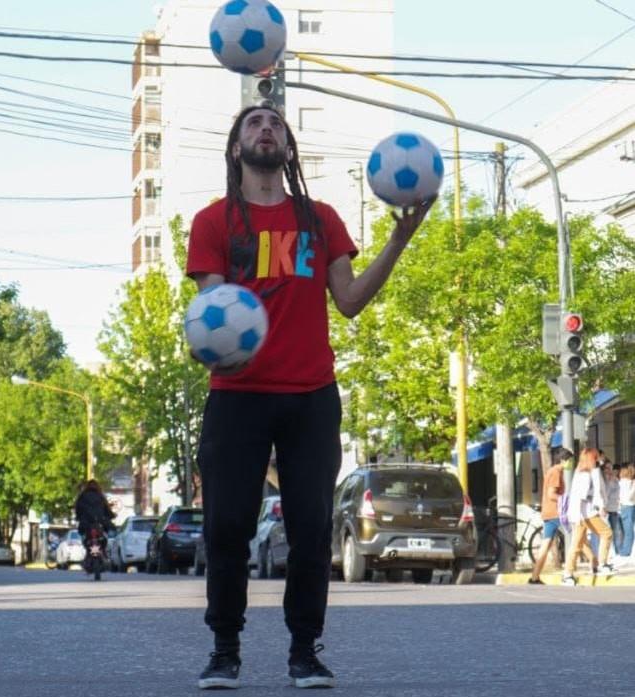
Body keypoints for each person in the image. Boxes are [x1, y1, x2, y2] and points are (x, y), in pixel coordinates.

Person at [186, 105, 434, 690]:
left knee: (310, 527)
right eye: (252, 124)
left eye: (275, 124)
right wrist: (218, 348)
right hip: (237, 394)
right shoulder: (213, 222)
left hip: (310, 395)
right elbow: (211, 308)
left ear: (290, 149)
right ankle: (225, 649)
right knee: (226, 528)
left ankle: (305, 651)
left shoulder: (321, 219)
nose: (265, 129)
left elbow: (348, 300)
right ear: (235, 148)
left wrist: (398, 240)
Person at [562, 447, 616, 586]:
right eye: (596, 457)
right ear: (592, 458)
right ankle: (602, 564)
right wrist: (600, 507)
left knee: (578, 544)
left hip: (581, 514)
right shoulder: (585, 474)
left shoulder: (583, 471)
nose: (598, 459)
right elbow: (584, 496)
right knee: (607, 533)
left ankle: (570, 574)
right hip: (584, 514)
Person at [528, 448, 572, 584]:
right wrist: (565, 499)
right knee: (578, 536)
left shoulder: (554, 471)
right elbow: (551, 494)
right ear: (563, 460)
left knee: (545, 545)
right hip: (556, 512)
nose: (571, 463)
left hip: (550, 512)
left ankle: (534, 576)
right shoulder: (556, 472)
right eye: (570, 460)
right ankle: (593, 565)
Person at [74, 479, 116, 550]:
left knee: (83, 535)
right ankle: (104, 553)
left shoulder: (82, 496)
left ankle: (89, 552)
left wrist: (78, 517)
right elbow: (107, 509)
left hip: (86, 523)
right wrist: (111, 516)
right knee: (107, 533)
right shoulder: (101, 496)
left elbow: (78, 509)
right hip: (100, 522)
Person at [614, 463, 635, 567]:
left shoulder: (620, 482)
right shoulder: (629, 483)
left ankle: (622, 550)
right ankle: (625, 551)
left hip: (621, 508)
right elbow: (630, 497)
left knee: (622, 531)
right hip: (628, 507)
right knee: (628, 531)